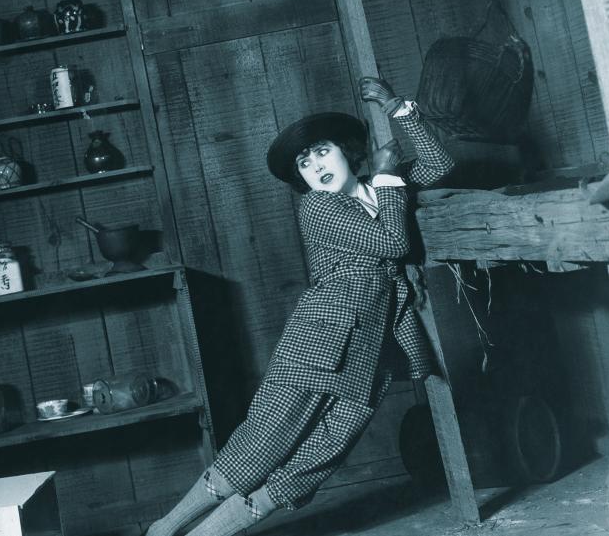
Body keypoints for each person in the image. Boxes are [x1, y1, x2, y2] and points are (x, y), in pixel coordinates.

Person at [146, 77, 454, 536]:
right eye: (304, 164)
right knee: (263, 443)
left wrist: (397, 109)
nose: (316, 167)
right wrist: (389, 176)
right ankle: (163, 530)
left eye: (322, 152)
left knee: (318, 458)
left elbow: (440, 163)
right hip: (317, 343)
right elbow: (393, 242)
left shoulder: (381, 188)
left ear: (347, 151)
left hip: (372, 355)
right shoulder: (318, 209)